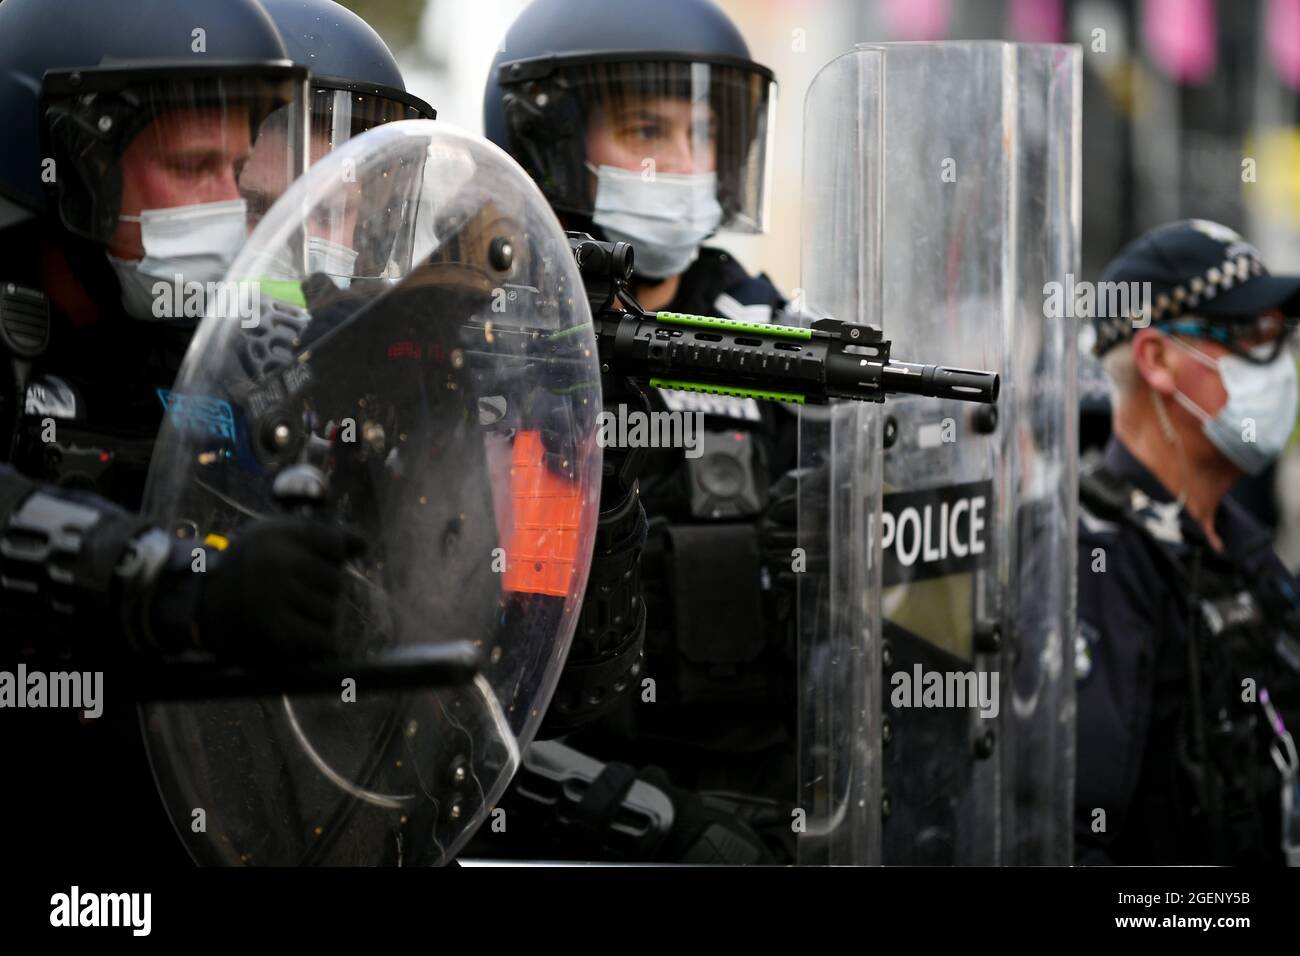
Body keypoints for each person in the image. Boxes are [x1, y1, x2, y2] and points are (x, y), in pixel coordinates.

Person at [0, 0, 429, 867]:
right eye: (191, 166)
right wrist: (169, 579)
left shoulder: (242, 353)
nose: (230, 211)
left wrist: (353, 616)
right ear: (68, 169)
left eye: (234, 172)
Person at [477, 0, 797, 863]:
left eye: (706, 134)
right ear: (548, 138)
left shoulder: (781, 341)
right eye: (650, 129)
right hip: (567, 832)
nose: (687, 165)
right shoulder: (464, 344)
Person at [1077, 218, 1300, 865]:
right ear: (1157, 359)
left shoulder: (1237, 539)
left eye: (1281, 337)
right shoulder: (1103, 562)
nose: (1279, 365)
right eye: (1249, 337)